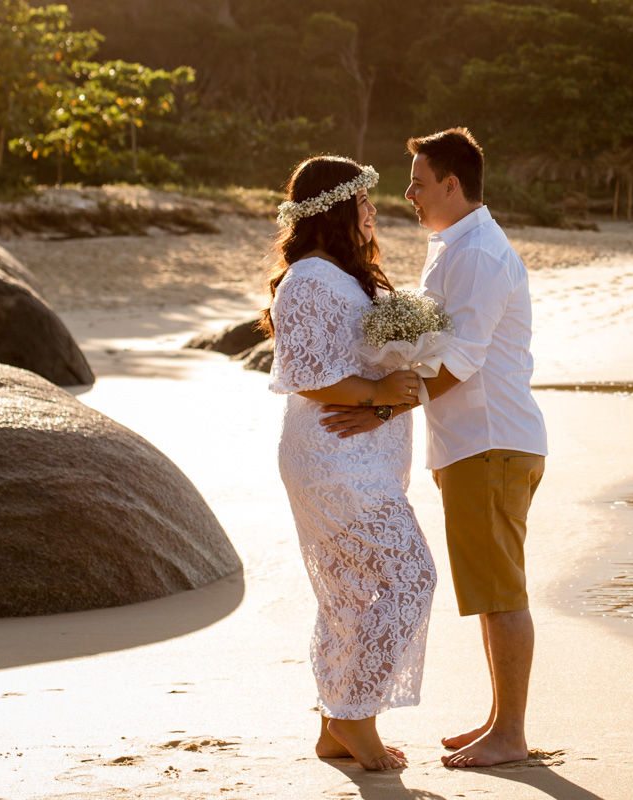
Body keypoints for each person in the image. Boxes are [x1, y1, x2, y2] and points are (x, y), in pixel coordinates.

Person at [320, 128, 548, 768]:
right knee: (490, 589)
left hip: (490, 442)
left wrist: (382, 406)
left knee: (500, 591)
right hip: (476, 444)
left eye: (419, 182)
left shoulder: (478, 255)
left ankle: (511, 734)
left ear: (452, 184)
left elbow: (462, 360)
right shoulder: (457, 247)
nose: (409, 193)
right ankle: (500, 721)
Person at [262, 155, 436, 771]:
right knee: (410, 577)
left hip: (359, 454)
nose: (372, 211)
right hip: (331, 456)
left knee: (350, 594)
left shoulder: (343, 273)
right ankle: (354, 716)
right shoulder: (310, 278)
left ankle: (334, 726)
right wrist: (380, 393)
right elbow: (308, 376)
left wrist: (393, 390)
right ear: (333, 209)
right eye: (361, 200)